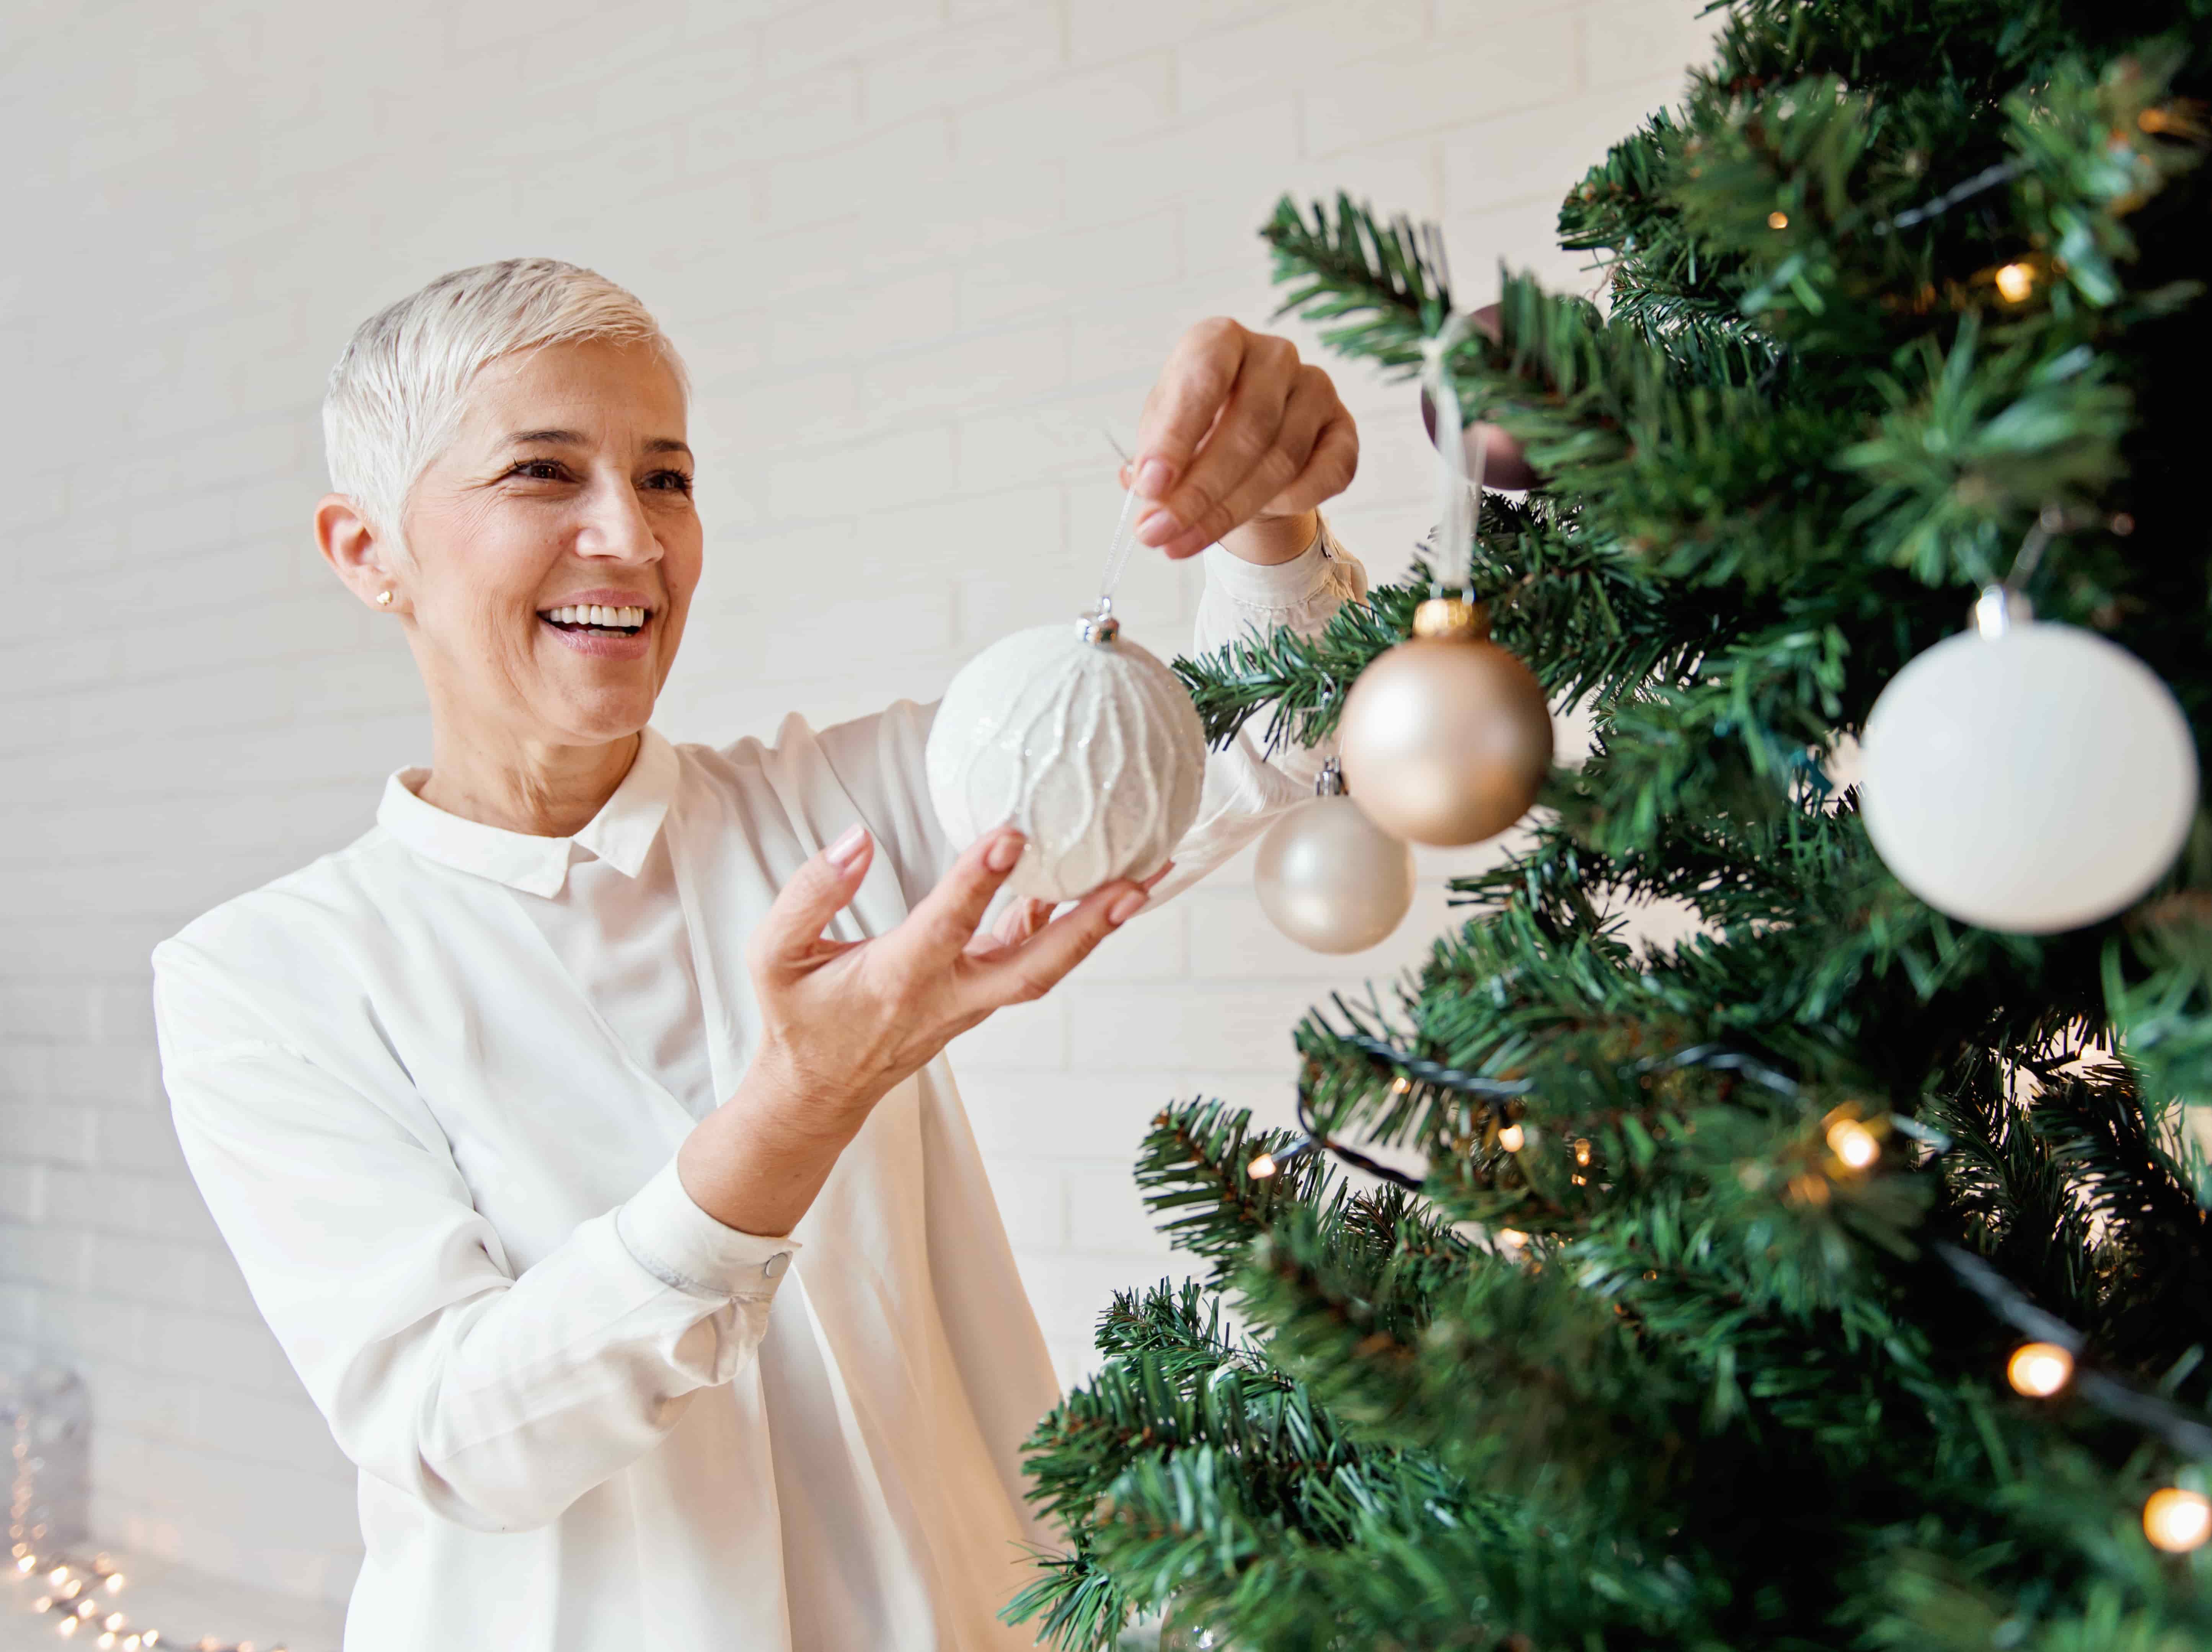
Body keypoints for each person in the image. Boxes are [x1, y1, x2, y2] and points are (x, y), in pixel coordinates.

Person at [148, 257, 1368, 1650]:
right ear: (369, 552)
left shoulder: (839, 812)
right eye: (545, 473)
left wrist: (1270, 517)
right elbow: (460, 1438)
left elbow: (1254, 757)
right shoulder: (266, 980)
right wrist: (800, 1109)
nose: (632, 536)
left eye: (665, 478)